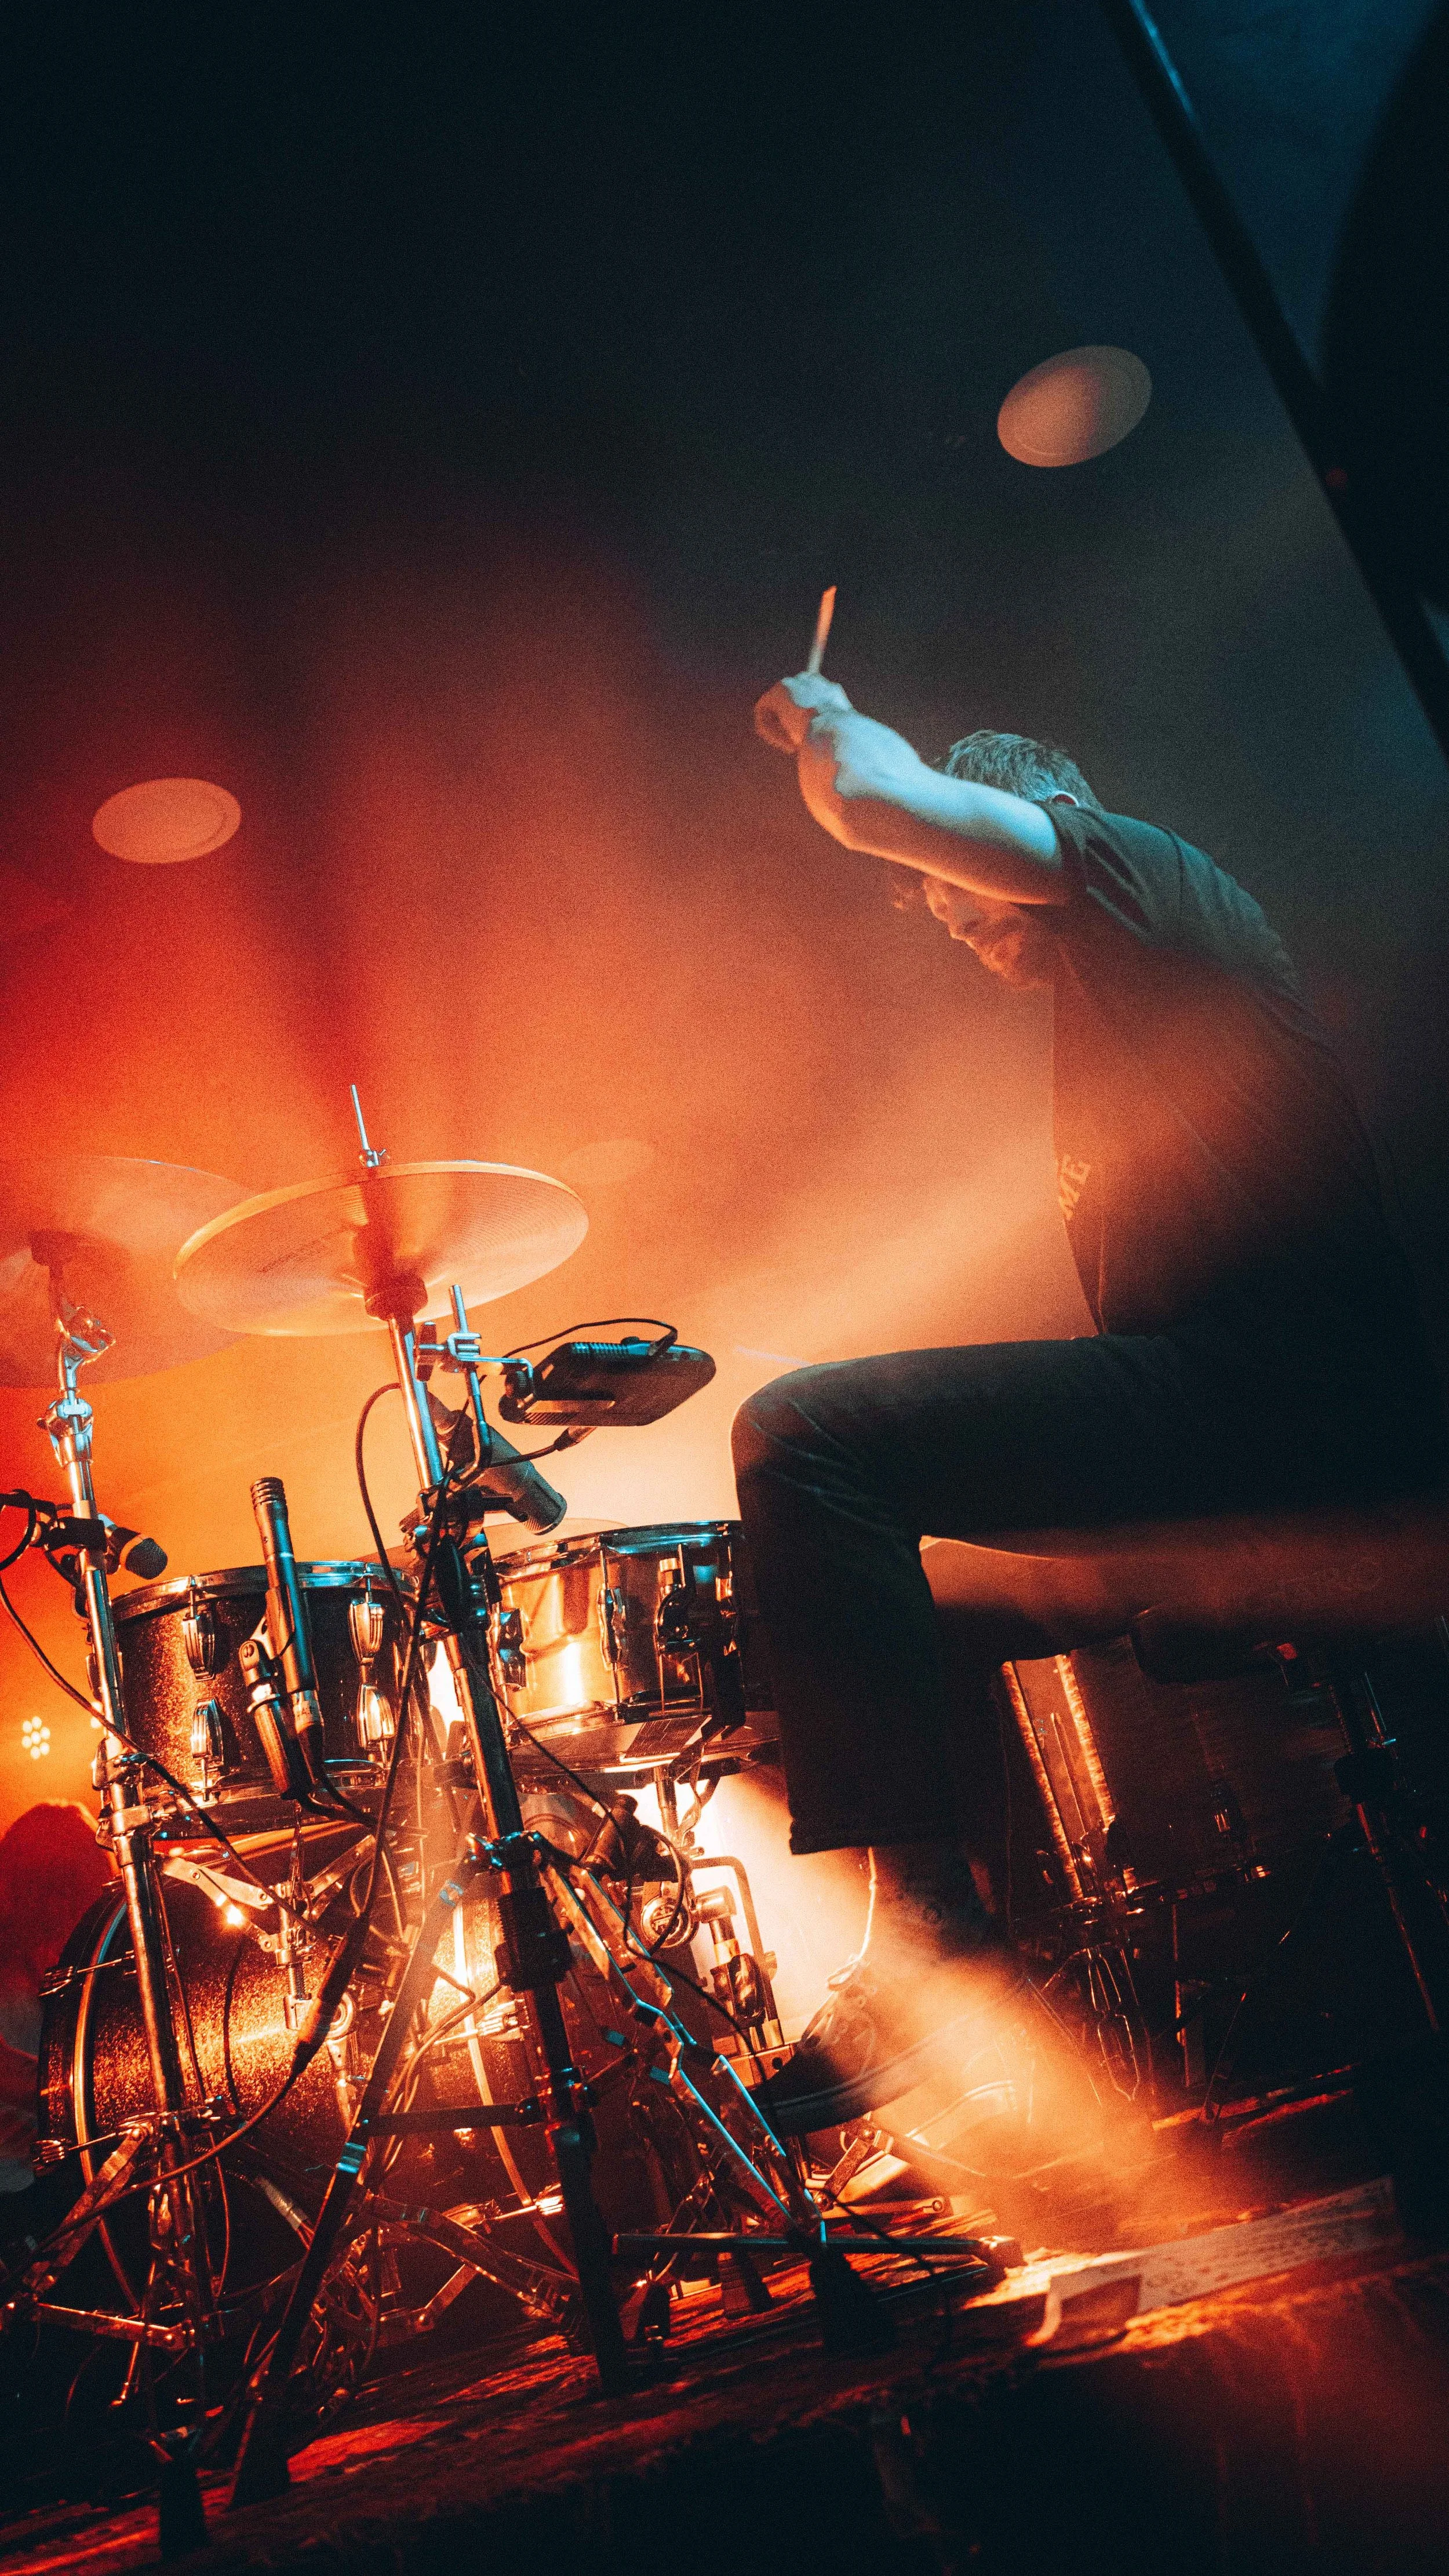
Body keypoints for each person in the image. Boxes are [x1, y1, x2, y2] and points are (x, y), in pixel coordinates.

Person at [737, 668, 1448, 2139]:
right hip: (1230, 1417)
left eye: (962, 889)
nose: (953, 922)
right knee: (884, 1590)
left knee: (803, 1434)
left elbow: (876, 800)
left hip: (1291, 1401)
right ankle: (959, 1945)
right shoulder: (1107, 1020)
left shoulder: (1146, 878)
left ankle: (938, 1940)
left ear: (1025, 823)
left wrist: (822, 724)